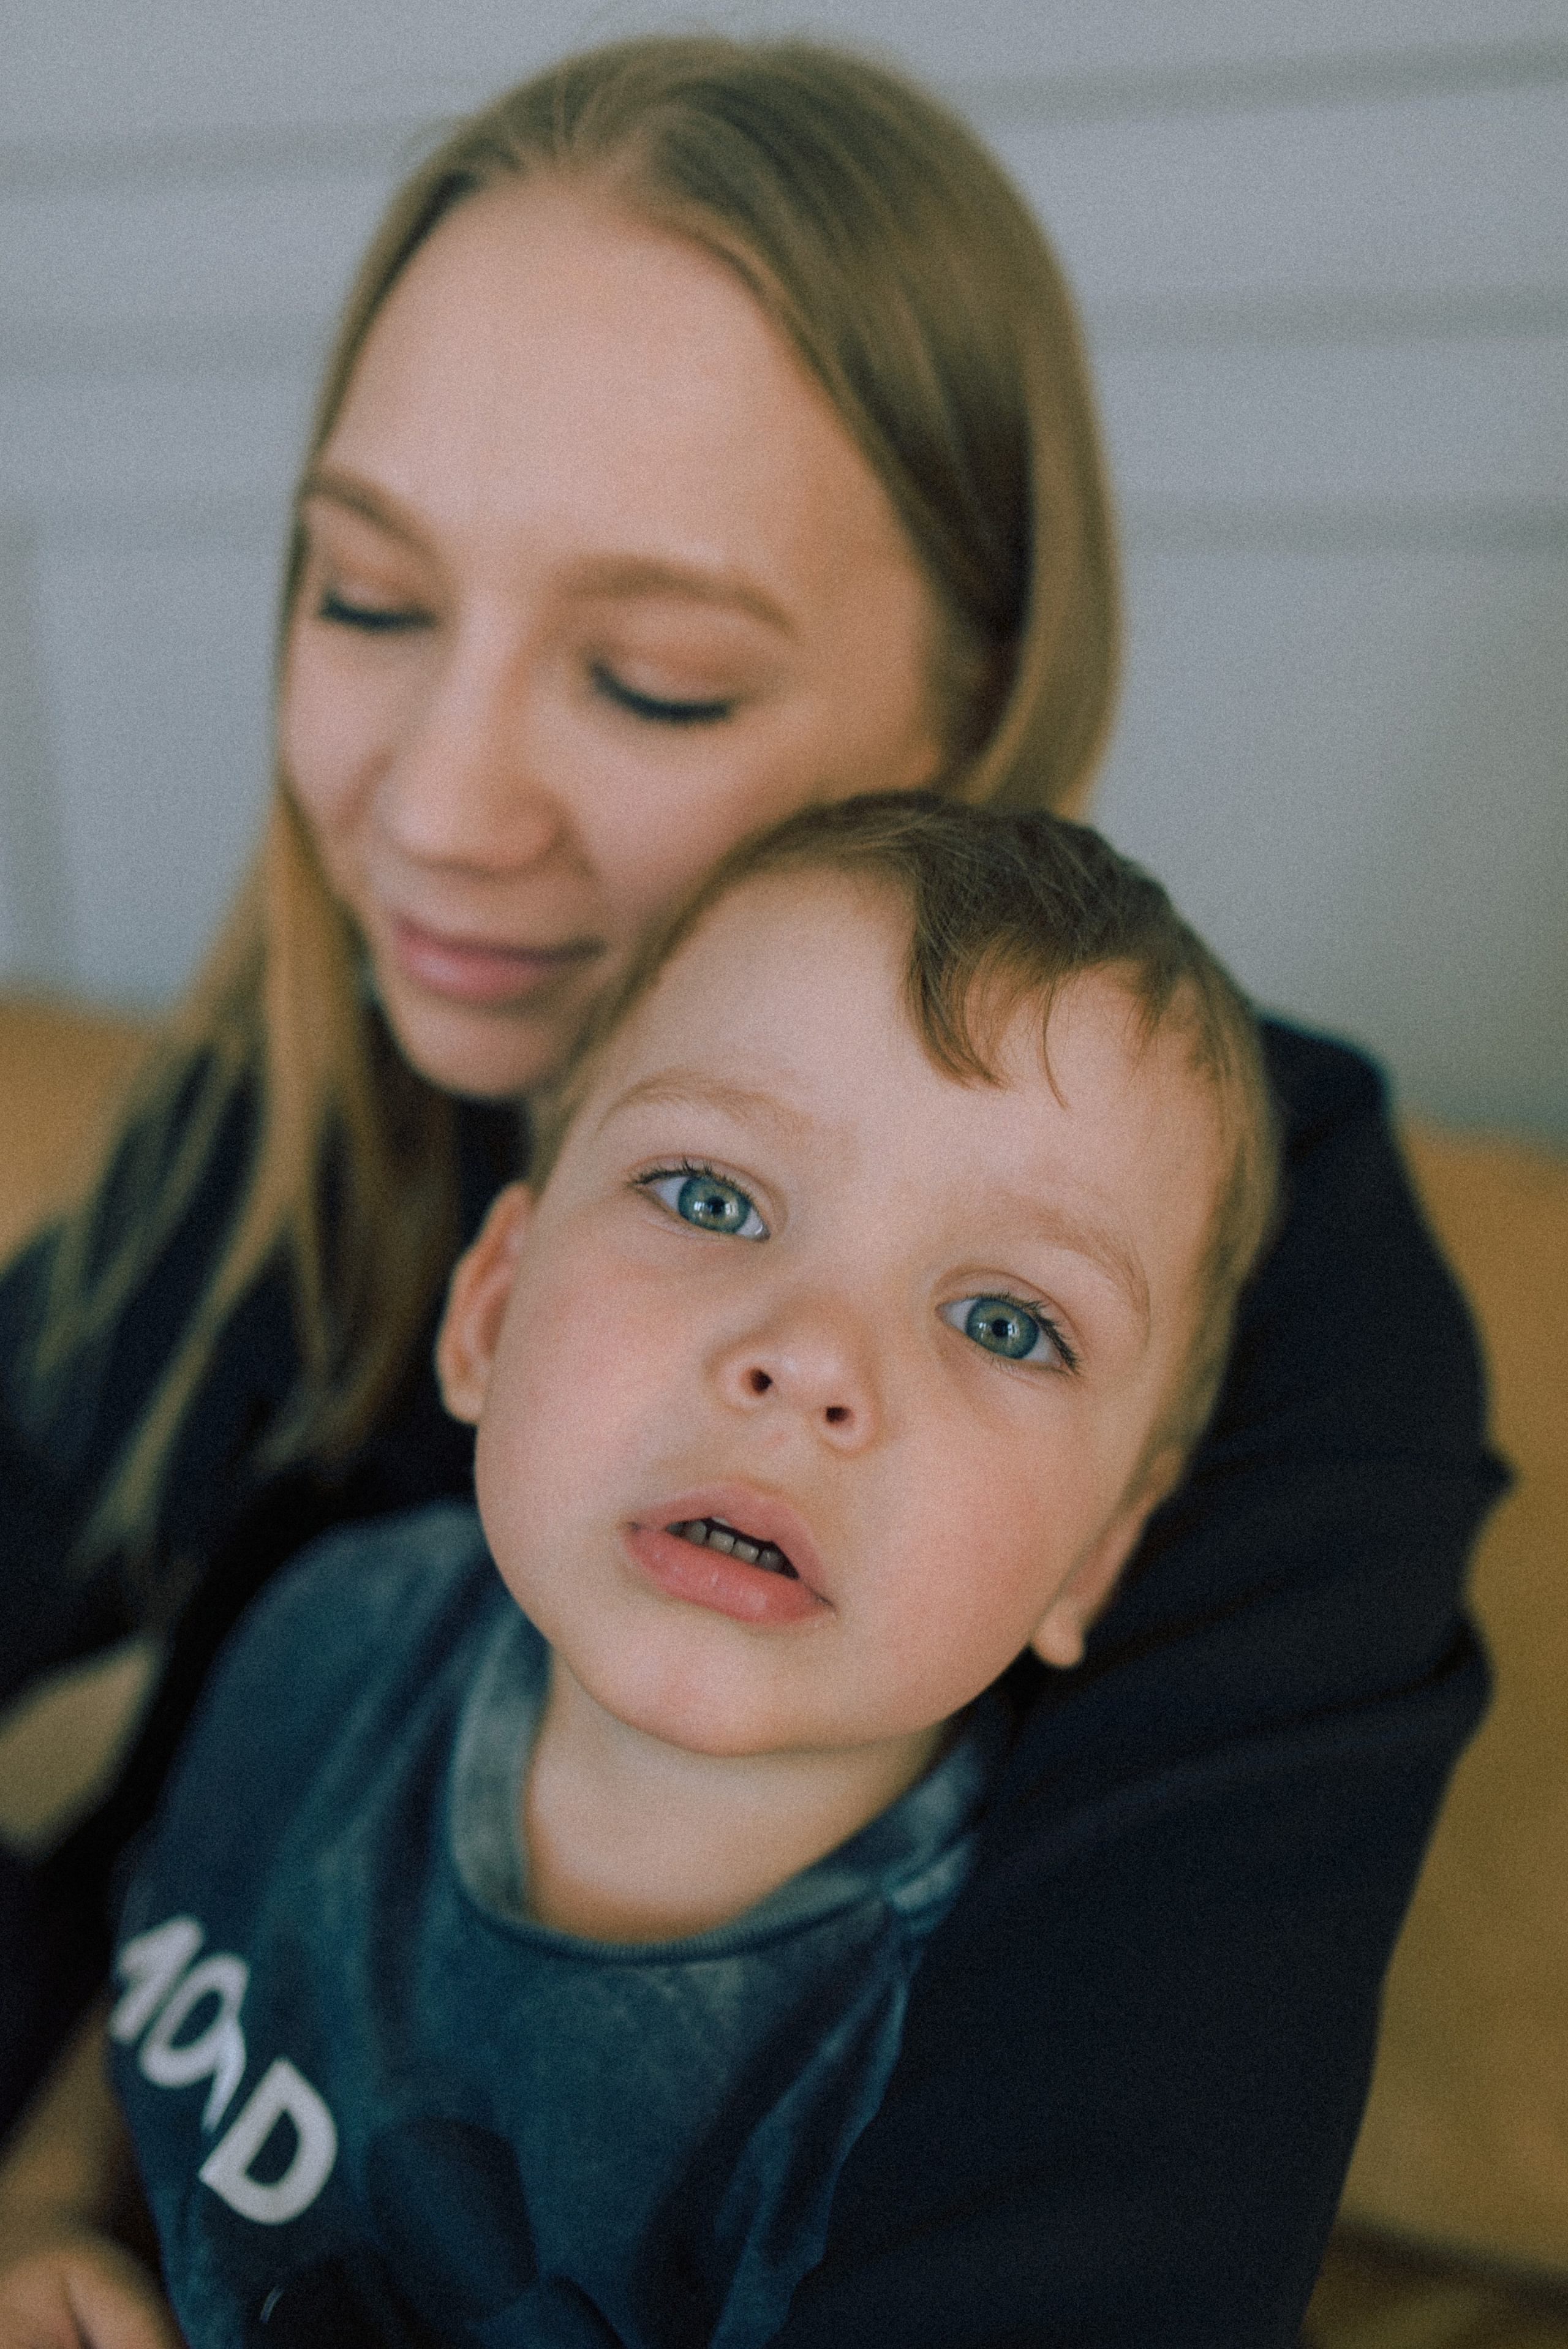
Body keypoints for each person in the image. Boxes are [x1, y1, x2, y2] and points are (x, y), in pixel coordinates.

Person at [0, 34, 1499, 2349]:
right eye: (371, 602)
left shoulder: (1258, 1264)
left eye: (656, 678)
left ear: (974, 712)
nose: (440, 810)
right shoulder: (314, 1090)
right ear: (491, 1296)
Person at [1, 796, 1284, 2349]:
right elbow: (162, 1962)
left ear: (1096, 1556)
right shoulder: (329, 1626)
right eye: (710, 1196)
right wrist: (50, 2202)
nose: (806, 1360)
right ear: (488, 1307)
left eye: (1005, 1320)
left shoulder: (939, 2106)